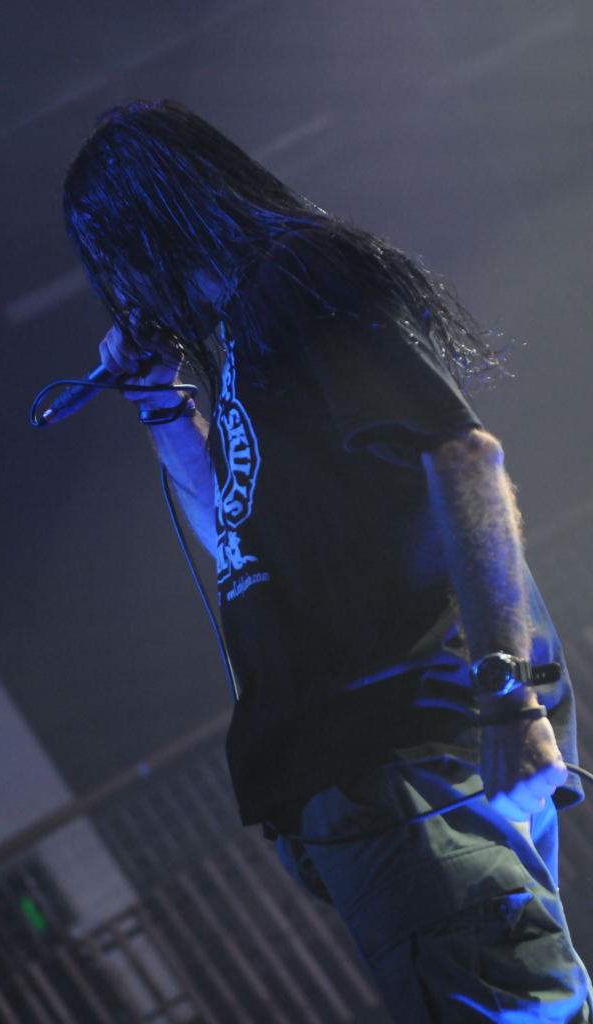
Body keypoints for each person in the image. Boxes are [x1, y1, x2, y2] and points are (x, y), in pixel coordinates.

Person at [62, 99, 591, 1021]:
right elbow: (238, 536)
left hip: (402, 747)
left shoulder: (291, 283)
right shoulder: (247, 340)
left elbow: (463, 458)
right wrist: (161, 405)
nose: (119, 289)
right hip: (377, 766)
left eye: (110, 259)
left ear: (142, 227)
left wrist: (510, 697)